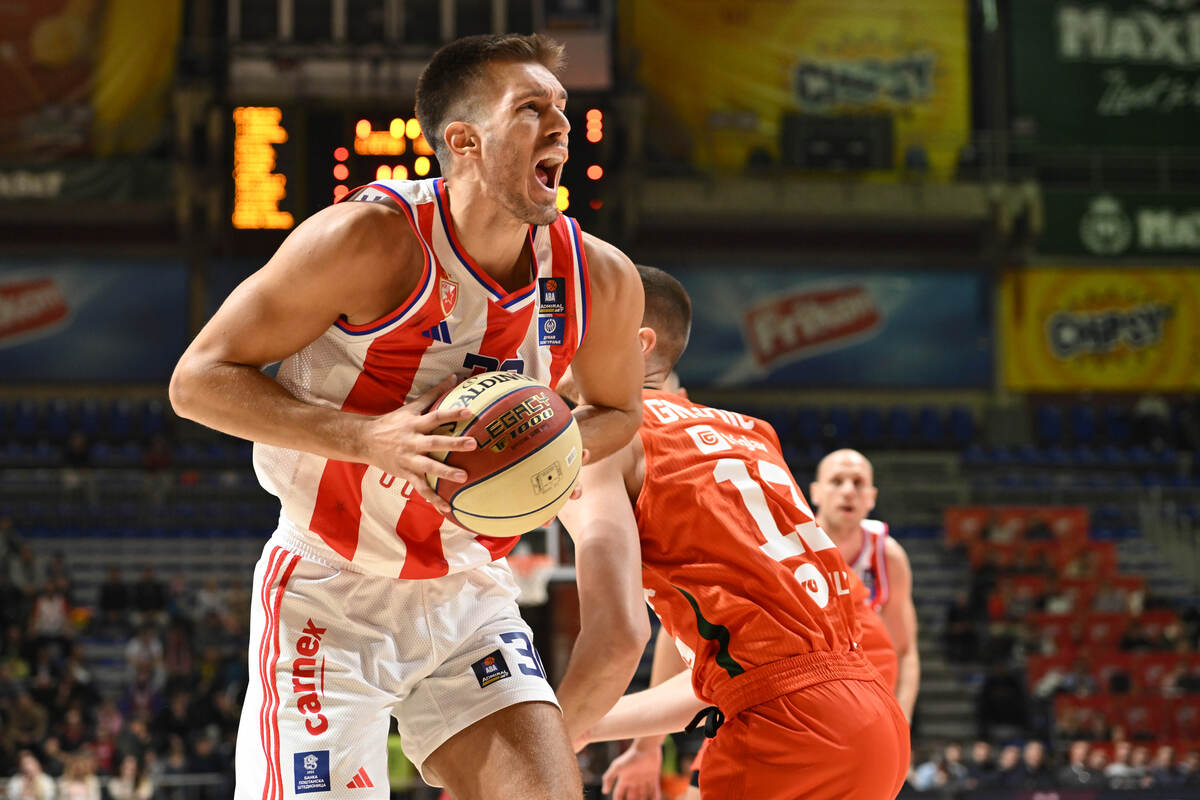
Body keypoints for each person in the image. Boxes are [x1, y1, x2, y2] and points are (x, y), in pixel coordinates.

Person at [169, 32, 644, 800]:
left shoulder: (599, 276)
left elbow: (620, 410)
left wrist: (553, 447)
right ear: (463, 140)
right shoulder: (367, 239)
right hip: (328, 591)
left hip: (470, 592)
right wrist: (366, 438)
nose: (560, 125)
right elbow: (196, 382)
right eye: (532, 109)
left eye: (562, 108)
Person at [558, 266, 909, 799]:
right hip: (871, 719)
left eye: (567, 326)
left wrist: (542, 738)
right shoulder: (750, 432)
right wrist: (591, 727)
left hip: (786, 725)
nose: (549, 342)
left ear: (635, 342)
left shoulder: (608, 441)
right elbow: (738, 673)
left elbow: (620, 637)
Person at [809, 448, 920, 723]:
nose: (848, 491)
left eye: (858, 483)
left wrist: (900, 723)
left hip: (865, 701)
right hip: (805, 695)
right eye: (837, 481)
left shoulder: (888, 555)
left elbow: (905, 652)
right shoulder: (789, 546)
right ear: (815, 493)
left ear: (871, 497)